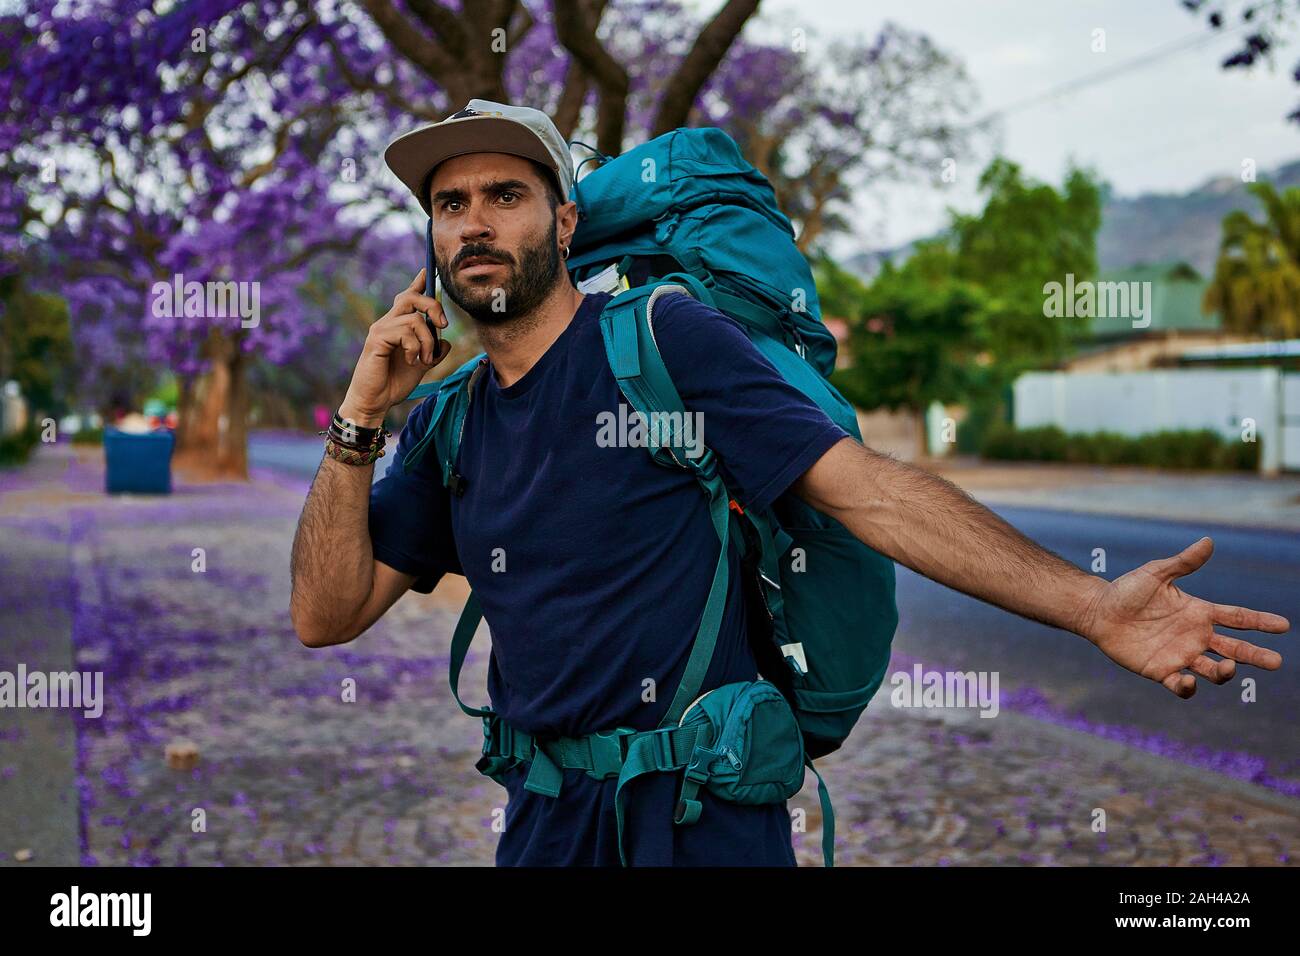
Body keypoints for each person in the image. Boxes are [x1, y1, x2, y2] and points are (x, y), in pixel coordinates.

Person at [288, 100, 1289, 867]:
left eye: (504, 195)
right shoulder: (449, 417)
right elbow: (325, 613)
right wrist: (360, 414)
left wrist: (1089, 605)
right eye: (448, 203)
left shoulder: (660, 340)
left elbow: (869, 490)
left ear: (563, 214)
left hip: (702, 820)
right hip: (543, 822)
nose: (473, 224)